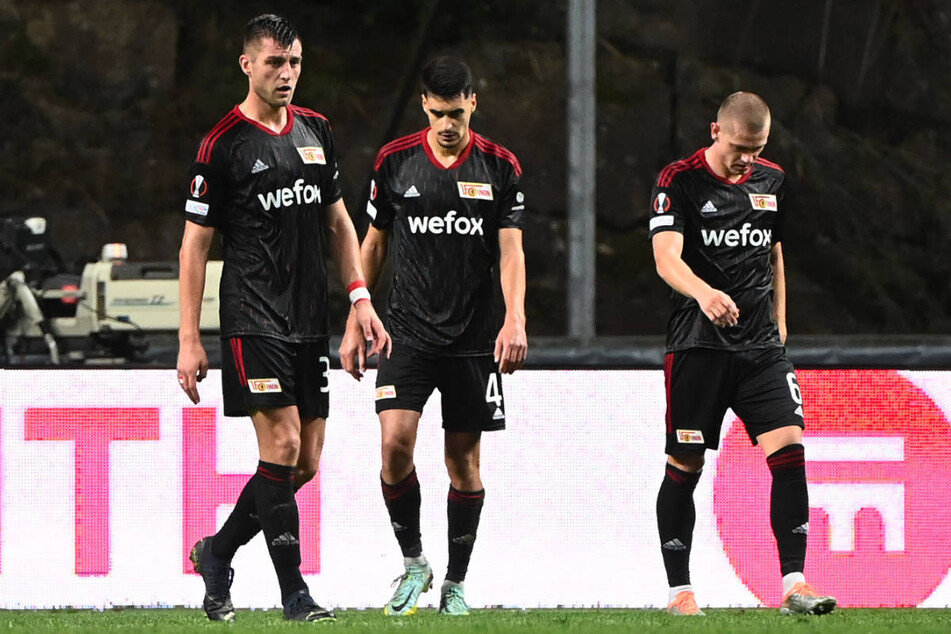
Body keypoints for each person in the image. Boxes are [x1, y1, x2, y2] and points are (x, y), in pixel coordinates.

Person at [176, 14, 389, 623]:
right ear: (247, 64)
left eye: (294, 62)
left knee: (303, 464)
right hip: (251, 318)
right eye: (274, 62)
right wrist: (189, 339)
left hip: (306, 321)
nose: (287, 73)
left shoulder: (316, 131)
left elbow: (340, 222)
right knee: (285, 444)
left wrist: (359, 296)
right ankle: (295, 596)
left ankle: (216, 552)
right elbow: (194, 247)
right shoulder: (222, 144)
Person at [339, 56, 527, 617]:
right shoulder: (394, 162)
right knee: (394, 445)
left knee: (463, 463)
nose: (448, 123)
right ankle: (415, 561)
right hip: (407, 334)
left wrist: (514, 317)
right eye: (438, 112)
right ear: (425, 104)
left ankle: (457, 583)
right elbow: (372, 243)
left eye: (457, 112)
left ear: (474, 101)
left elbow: (512, 251)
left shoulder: (501, 166)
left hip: (473, 338)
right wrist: (357, 309)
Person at [648, 92, 836, 617]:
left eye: (755, 149)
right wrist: (704, 294)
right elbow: (666, 258)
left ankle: (795, 585)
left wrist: (781, 322)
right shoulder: (677, 180)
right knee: (684, 465)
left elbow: (774, 250)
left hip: (760, 351)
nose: (745, 160)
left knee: (791, 450)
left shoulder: (771, 181)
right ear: (715, 131)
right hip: (697, 347)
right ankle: (679, 591)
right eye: (737, 148)